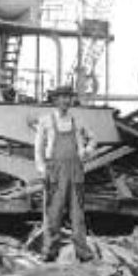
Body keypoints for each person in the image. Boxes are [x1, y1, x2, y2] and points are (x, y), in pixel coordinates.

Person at [34, 86, 97, 262]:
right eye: (61, 97)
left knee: (77, 214)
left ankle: (82, 251)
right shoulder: (46, 121)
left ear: (71, 100)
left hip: (75, 170)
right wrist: (41, 169)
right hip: (54, 170)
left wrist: (86, 151)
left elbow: (93, 139)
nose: (65, 101)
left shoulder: (77, 120)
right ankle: (50, 251)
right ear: (55, 100)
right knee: (53, 213)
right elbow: (38, 148)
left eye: (68, 97)